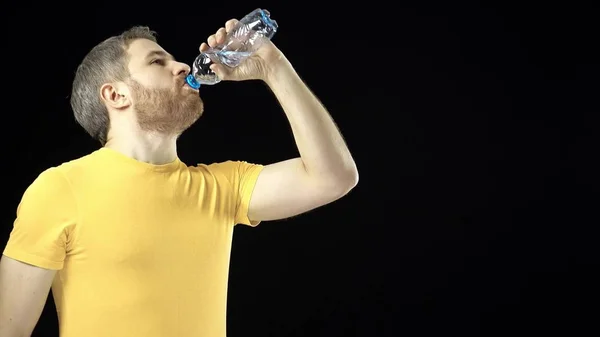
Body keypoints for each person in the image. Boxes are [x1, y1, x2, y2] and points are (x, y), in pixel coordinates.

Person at [0, 17, 358, 337]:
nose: (182, 65)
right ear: (115, 94)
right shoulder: (59, 189)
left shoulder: (222, 187)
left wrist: (274, 68)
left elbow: (333, 177)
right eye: (158, 61)